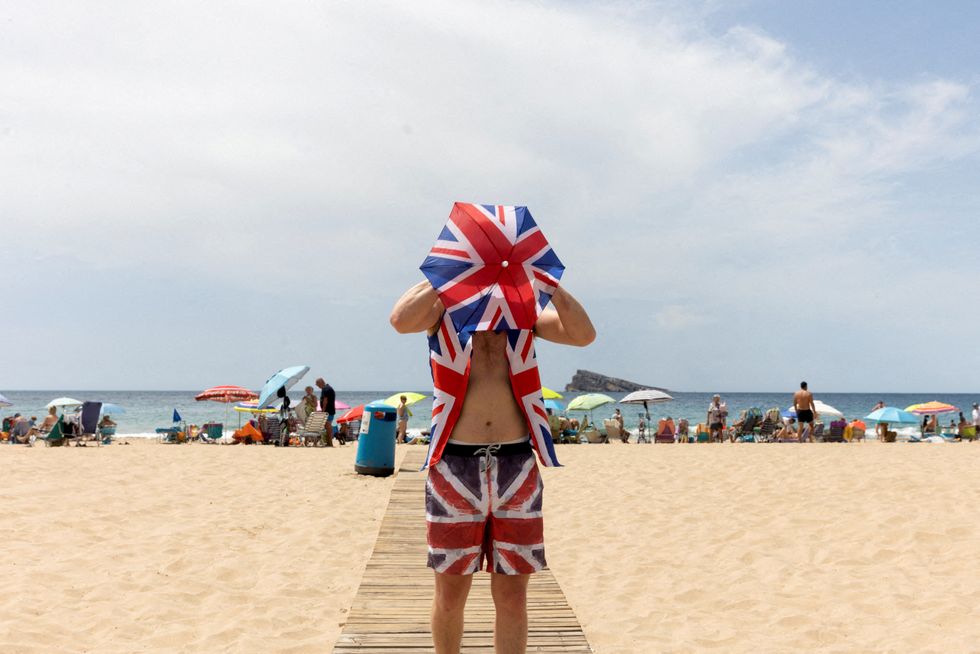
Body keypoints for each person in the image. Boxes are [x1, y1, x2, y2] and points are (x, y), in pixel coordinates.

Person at [390, 279, 594, 654]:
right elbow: (401, 320)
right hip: (455, 464)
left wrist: (552, 286)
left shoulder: (522, 311)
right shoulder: (445, 306)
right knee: (450, 595)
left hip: (515, 465)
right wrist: (448, 273)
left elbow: (583, 335)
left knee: (513, 596)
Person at [315, 377, 336, 447]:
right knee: (328, 427)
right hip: (330, 410)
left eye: (318, 385)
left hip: (328, 411)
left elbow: (325, 401)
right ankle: (329, 442)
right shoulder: (329, 388)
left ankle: (330, 443)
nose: (318, 386)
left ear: (321, 382)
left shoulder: (325, 389)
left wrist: (323, 411)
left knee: (328, 427)